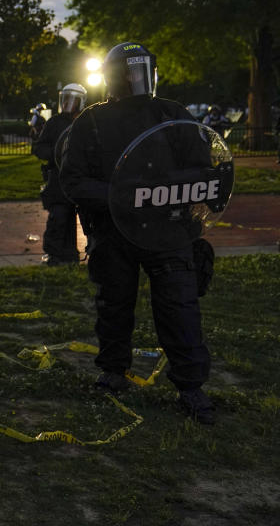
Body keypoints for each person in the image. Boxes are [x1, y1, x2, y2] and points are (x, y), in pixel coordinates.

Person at [60, 41, 216, 424]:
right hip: (114, 233)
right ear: (113, 77)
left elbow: (204, 169)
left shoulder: (173, 114)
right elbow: (74, 181)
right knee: (113, 304)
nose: (135, 79)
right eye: (128, 72)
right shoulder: (91, 122)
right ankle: (114, 370)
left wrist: (163, 191)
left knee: (180, 307)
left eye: (141, 70)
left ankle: (190, 387)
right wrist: (120, 197)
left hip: (169, 232)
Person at [32, 83, 86, 266]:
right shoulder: (54, 123)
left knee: (73, 217)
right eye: (66, 99)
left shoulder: (84, 123)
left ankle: (70, 254)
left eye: (74, 100)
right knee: (59, 216)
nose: (69, 104)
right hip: (57, 178)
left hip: (78, 178)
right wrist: (54, 155)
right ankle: (54, 255)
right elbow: (39, 147)